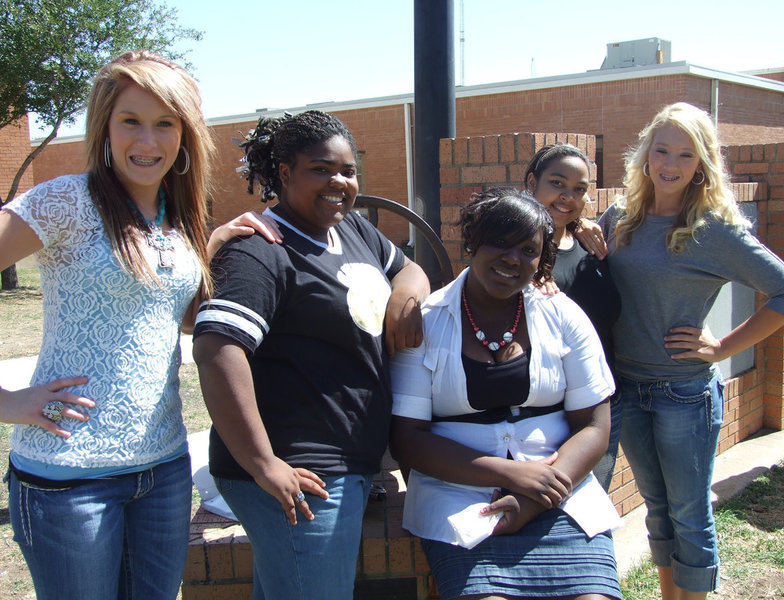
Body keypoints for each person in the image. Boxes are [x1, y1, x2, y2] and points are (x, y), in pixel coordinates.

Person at [0, 50, 280, 600]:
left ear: (185, 134)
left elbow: (160, 315)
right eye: (131, 121)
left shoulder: (178, 219)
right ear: (105, 125)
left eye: (164, 124)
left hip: (163, 469)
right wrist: (6, 402)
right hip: (68, 479)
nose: (147, 142)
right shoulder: (66, 201)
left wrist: (214, 245)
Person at [192, 110, 430, 600]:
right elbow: (217, 350)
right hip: (301, 474)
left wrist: (404, 305)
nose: (339, 182)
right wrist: (263, 464)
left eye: (348, 169)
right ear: (285, 173)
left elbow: (409, 270)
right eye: (321, 169)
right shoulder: (261, 250)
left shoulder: (352, 231)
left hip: (348, 461)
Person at [579, 102, 784, 600]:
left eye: (685, 154)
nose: (671, 164)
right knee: (657, 509)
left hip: (684, 393)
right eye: (662, 150)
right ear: (645, 154)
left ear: (702, 162)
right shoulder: (623, 216)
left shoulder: (712, 229)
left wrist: (722, 346)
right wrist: (583, 230)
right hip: (627, 389)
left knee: (689, 515)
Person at [390, 187, 622, 600]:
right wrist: (512, 475)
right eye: (499, 242)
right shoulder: (426, 322)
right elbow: (408, 441)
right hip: (458, 498)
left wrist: (535, 497)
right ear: (473, 241)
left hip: (561, 495)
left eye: (528, 249)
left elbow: (594, 426)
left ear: (541, 258)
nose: (512, 258)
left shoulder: (564, 315)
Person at [523, 143, 622, 491]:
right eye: (557, 183)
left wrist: (578, 224)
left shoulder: (590, 244)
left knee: (595, 505)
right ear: (532, 183)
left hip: (604, 404)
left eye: (579, 189)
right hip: (548, 414)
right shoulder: (517, 252)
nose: (568, 196)